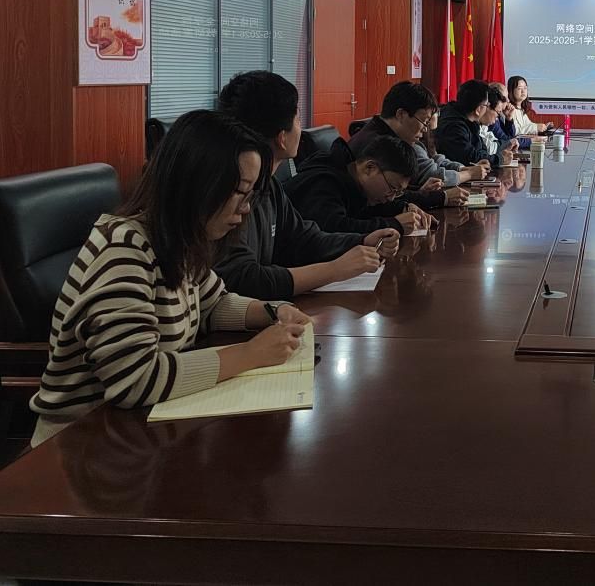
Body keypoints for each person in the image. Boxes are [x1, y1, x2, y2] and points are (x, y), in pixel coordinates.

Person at [30, 110, 314, 446]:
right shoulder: (124, 249)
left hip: (145, 433)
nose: (246, 209)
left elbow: (213, 303)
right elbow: (135, 380)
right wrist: (251, 353)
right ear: (197, 186)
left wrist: (274, 311)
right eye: (240, 192)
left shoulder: (181, 242)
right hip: (82, 445)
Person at [215, 71, 397, 300]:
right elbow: (243, 280)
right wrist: (334, 270)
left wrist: (362, 240)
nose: (301, 128)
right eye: (298, 119)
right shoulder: (227, 196)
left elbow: (303, 239)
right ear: (282, 138)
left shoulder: (269, 185)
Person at [286, 130, 446, 237]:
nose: (391, 197)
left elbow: (363, 211)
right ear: (370, 168)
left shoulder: (354, 182)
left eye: (398, 192)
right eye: (392, 188)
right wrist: (394, 224)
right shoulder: (325, 182)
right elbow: (333, 228)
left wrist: (403, 207)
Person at [366, 81, 488, 193]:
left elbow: (433, 158)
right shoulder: (379, 142)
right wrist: (469, 174)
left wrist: (462, 168)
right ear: (401, 114)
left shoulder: (400, 136)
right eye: (424, 121)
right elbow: (431, 175)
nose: (425, 129)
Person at [437, 79, 517, 168]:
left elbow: (482, 150)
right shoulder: (454, 126)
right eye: (486, 105)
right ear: (478, 109)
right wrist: (500, 159)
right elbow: (470, 158)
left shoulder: (472, 122)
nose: (487, 108)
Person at [487, 81, 519, 147]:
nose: (508, 101)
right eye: (505, 98)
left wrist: (508, 119)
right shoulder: (491, 116)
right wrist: (532, 140)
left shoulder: (499, 115)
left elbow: (510, 137)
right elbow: (507, 140)